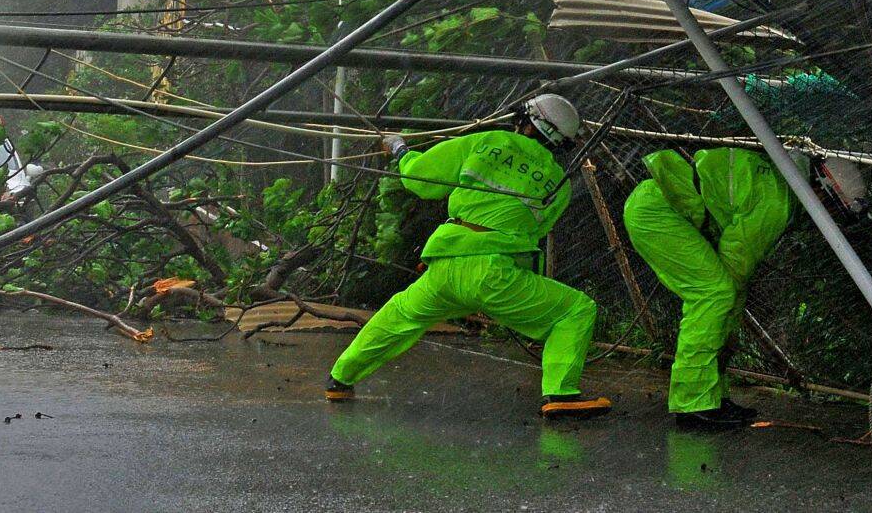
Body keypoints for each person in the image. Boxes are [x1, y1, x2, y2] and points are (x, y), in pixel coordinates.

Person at [324, 93, 612, 418]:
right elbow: (533, 231)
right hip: (498, 275)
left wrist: (400, 149)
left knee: (399, 316)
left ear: (525, 122)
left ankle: (339, 378)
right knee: (575, 310)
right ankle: (561, 393)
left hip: (446, 265)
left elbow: (421, 179)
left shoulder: (486, 140)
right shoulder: (560, 185)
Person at [622, 146, 792, 429]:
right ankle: (694, 403)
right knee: (714, 293)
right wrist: (727, 329)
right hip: (659, 212)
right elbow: (735, 263)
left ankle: (711, 396)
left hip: (656, 204)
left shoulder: (774, 182)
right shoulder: (777, 202)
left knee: (720, 297)